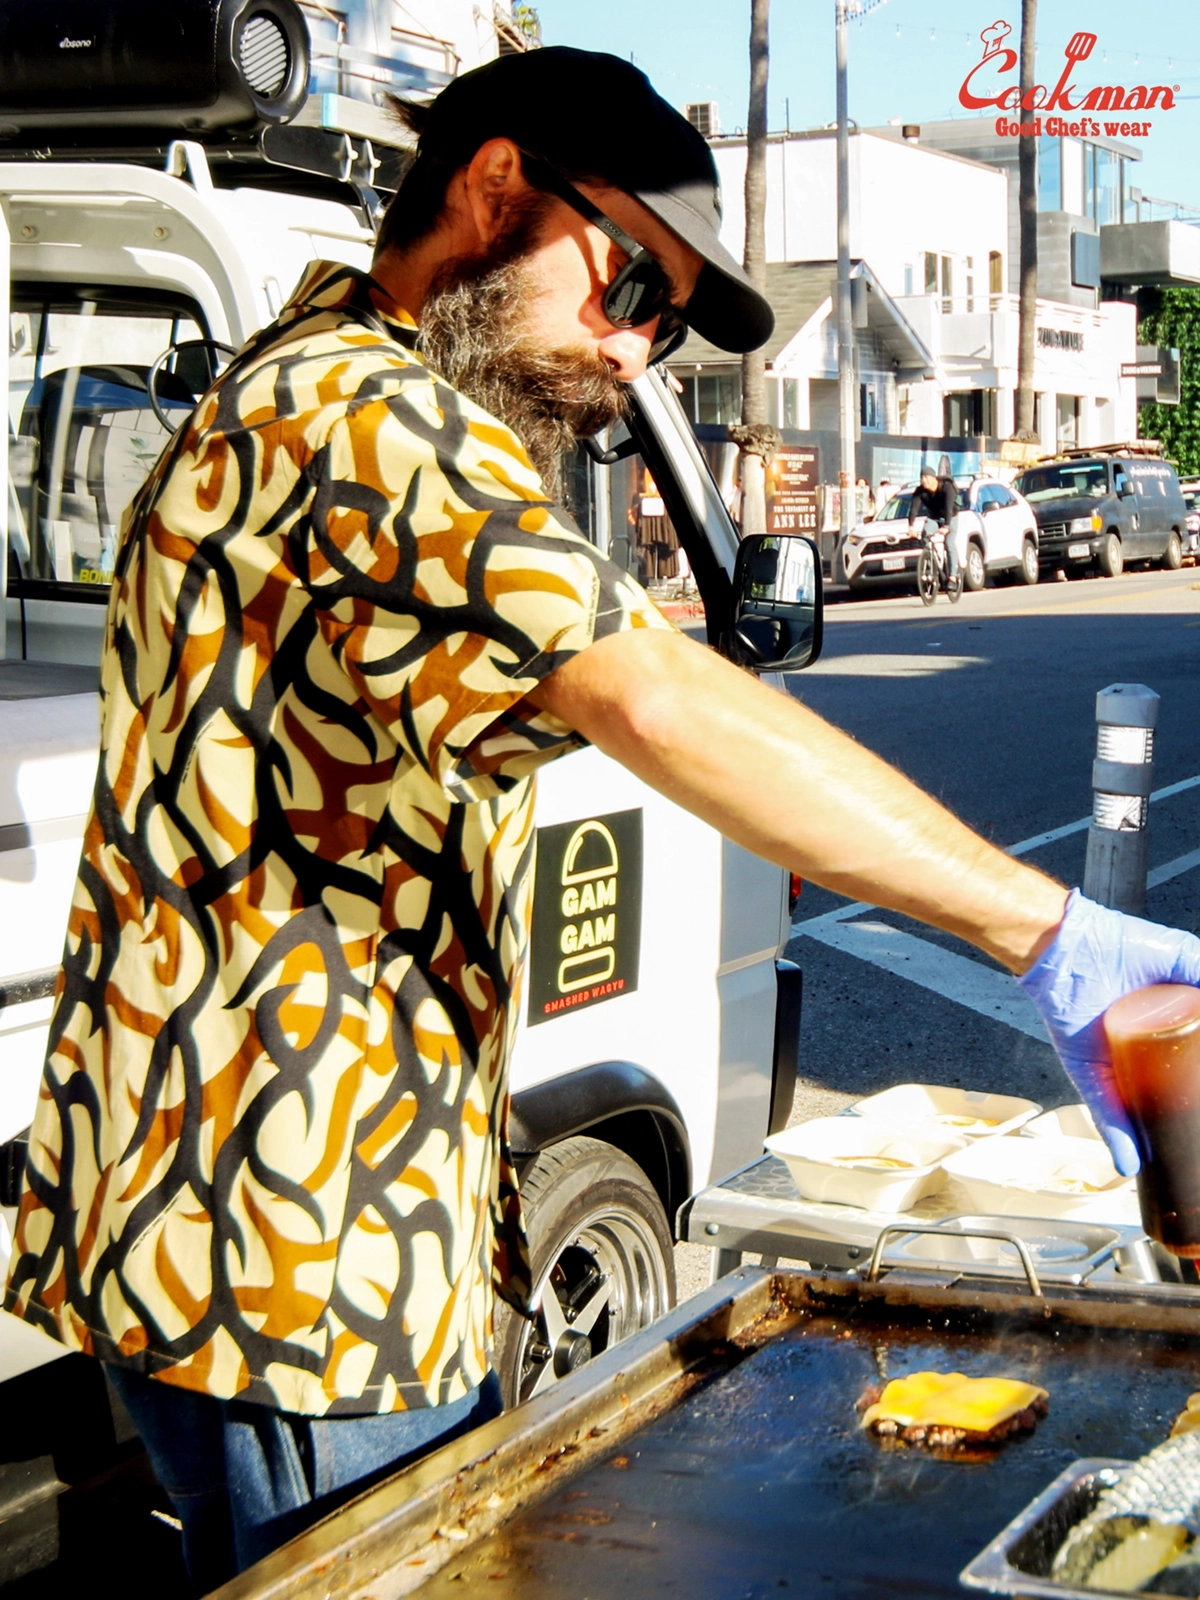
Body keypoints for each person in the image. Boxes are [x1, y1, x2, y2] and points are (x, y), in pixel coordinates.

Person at [4, 43, 1198, 1592]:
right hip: (296, 1258)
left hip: (231, 1227)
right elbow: (651, 692)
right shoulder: (364, 419)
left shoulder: (294, 380)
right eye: (630, 283)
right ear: (496, 187)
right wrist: (1047, 928)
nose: (637, 352)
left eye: (668, 323)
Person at [909, 465, 959, 581]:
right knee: (925, 536)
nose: (924, 480)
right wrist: (911, 526)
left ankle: (953, 575)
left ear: (934, 478)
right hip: (934, 517)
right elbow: (914, 509)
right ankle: (933, 558)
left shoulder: (947, 487)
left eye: (926, 477)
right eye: (922, 477)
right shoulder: (920, 491)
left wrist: (946, 526)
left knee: (949, 543)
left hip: (950, 517)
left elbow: (948, 508)